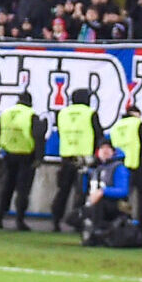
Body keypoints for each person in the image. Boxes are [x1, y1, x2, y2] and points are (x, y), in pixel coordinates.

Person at [49, 87, 98, 233]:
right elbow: (98, 134)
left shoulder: (62, 113)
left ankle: (56, 221)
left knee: (62, 191)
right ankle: (77, 222)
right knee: (81, 192)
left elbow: (60, 132)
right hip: (84, 159)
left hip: (66, 156)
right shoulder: (90, 113)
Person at [0, 90, 41, 230]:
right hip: (26, 156)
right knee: (23, 190)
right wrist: (39, 157)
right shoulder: (31, 115)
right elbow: (38, 137)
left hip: (8, 155)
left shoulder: (5, 114)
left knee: (6, 188)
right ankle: (19, 220)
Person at [81, 140, 133, 242]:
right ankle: (102, 231)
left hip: (118, 205)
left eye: (108, 148)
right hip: (98, 203)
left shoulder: (119, 168)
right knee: (74, 217)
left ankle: (98, 233)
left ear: (113, 151)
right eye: (102, 148)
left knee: (98, 205)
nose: (105, 151)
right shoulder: (97, 169)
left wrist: (103, 192)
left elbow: (123, 191)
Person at [110, 102, 142, 225]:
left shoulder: (116, 126)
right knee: (141, 197)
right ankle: (141, 227)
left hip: (120, 167)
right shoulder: (137, 124)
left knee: (122, 197)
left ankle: (122, 223)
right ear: (136, 114)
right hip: (137, 165)